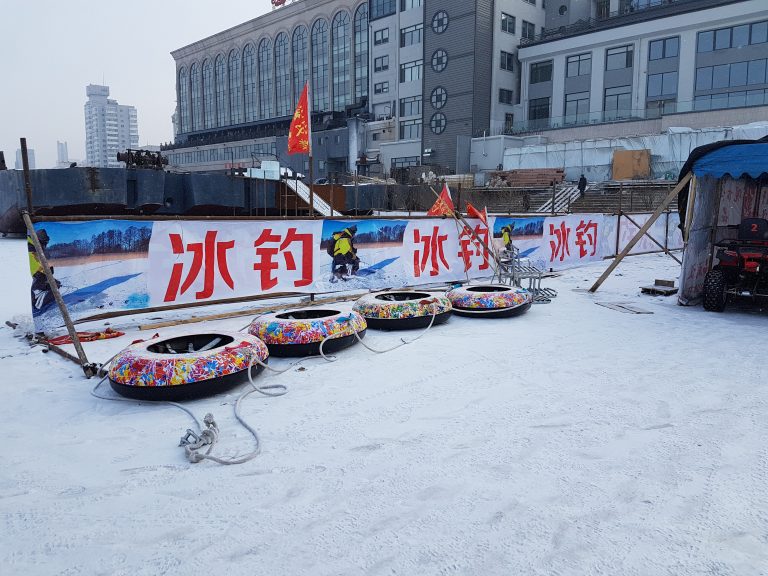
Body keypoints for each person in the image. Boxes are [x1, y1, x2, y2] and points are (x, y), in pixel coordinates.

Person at [28, 229, 61, 311]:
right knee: (52, 286)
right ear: (40, 241)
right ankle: (38, 306)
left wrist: (47, 270)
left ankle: (38, 303)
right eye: (45, 243)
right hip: (37, 275)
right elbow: (34, 263)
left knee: (55, 284)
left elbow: (38, 262)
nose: (45, 245)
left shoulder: (35, 247)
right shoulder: (31, 248)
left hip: (38, 274)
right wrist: (43, 272)